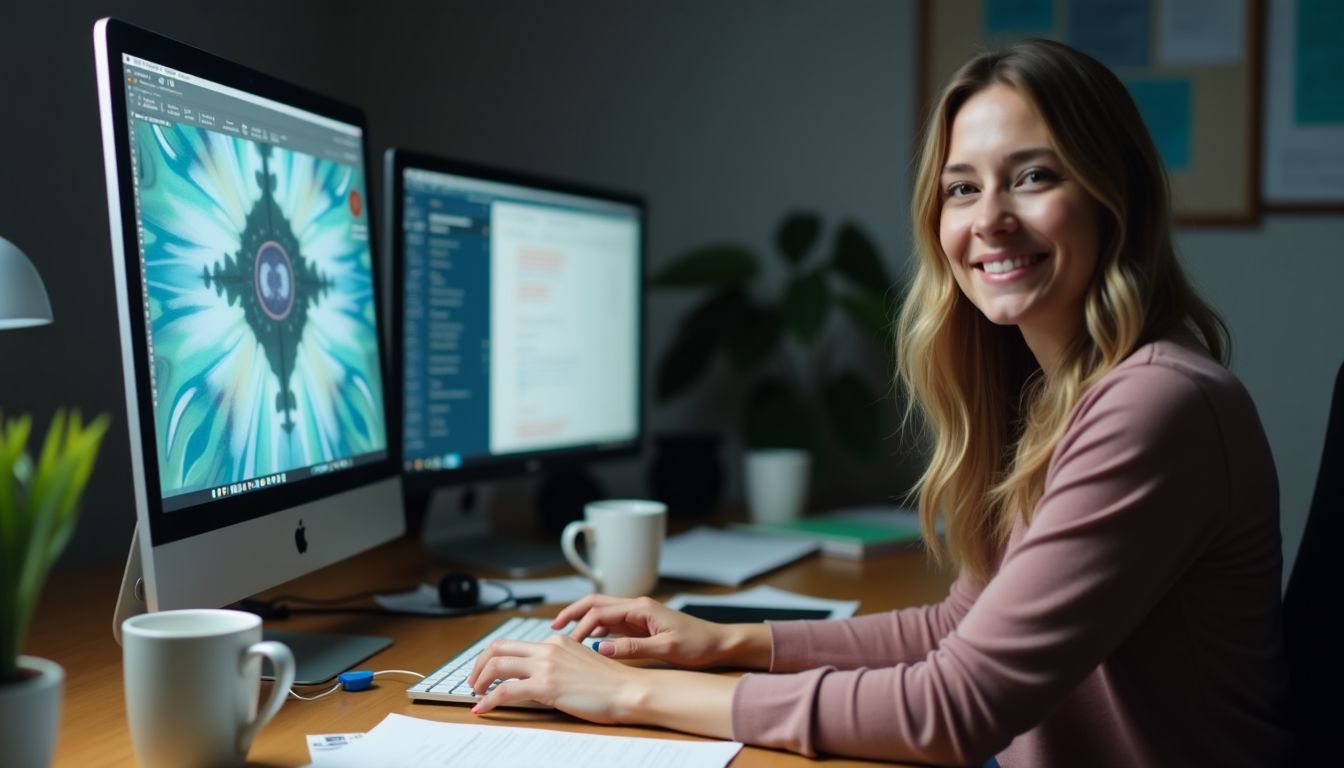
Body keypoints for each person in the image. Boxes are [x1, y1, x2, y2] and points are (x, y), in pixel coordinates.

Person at [466, 39, 1290, 766]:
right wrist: (726, 643)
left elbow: (955, 706)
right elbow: (955, 633)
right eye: (962, 189)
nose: (990, 219)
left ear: (1119, 197)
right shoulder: (1058, 397)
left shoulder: (1155, 405)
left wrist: (626, 694)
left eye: (1034, 177)